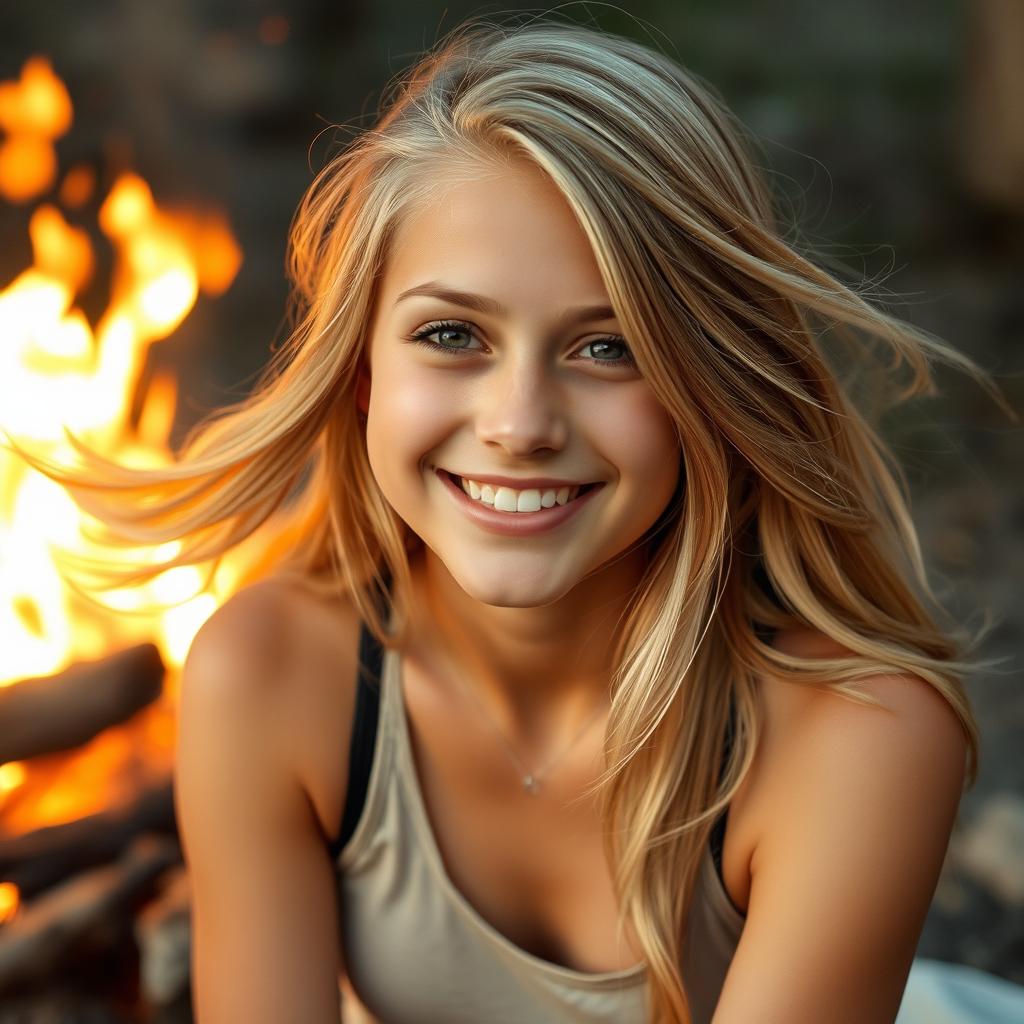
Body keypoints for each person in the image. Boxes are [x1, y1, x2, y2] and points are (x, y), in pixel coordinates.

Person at [6, 13, 1010, 1024]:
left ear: (708, 382)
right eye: (452, 334)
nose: (520, 424)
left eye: (608, 346)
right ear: (362, 370)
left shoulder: (853, 734)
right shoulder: (271, 677)